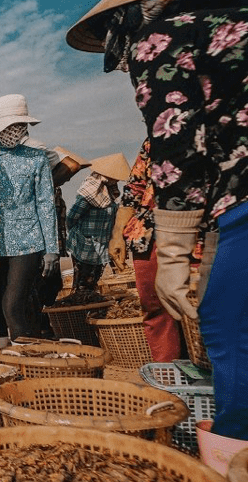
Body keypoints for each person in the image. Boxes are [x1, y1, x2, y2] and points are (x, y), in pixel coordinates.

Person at [67, 0, 247, 439]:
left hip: (232, 207)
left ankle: (233, 446)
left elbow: (180, 152)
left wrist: (173, 253)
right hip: (212, 216)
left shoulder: (167, 33)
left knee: (228, 333)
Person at [0, 94, 59, 345]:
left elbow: (45, 204)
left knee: (12, 303)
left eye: (17, 126)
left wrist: (52, 249)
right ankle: (3, 358)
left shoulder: (37, 159)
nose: (12, 132)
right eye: (7, 127)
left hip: (29, 242)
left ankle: (26, 358)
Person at [109, 139, 185, 362]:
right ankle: (168, 377)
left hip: (198, 229)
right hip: (149, 231)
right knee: (156, 310)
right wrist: (117, 235)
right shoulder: (157, 137)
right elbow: (135, 188)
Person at [31, 146, 93, 337]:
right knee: (40, 288)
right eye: (64, 175)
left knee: (51, 287)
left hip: (54, 247)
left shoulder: (54, 190)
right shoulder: (42, 189)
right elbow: (72, 165)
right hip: (42, 248)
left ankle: (45, 325)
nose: (68, 178)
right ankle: (40, 327)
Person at [65, 152, 131, 291]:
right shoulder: (90, 190)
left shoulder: (110, 191)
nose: (117, 181)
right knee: (83, 283)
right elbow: (71, 217)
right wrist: (80, 235)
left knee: (93, 281)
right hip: (85, 244)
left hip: (102, 243)